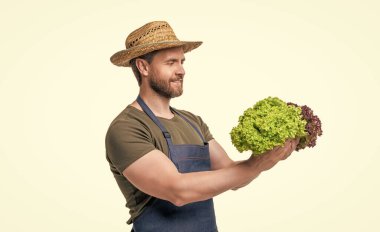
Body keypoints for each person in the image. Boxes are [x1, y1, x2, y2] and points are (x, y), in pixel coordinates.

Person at [105, 21, 299, 232]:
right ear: (143, 67)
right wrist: (257, 164)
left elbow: (233, 176)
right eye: (171, 62)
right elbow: (178, 190)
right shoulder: (127, 128)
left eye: (182, 61)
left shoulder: (192, 121)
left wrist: (271, 157)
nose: (181, 70)